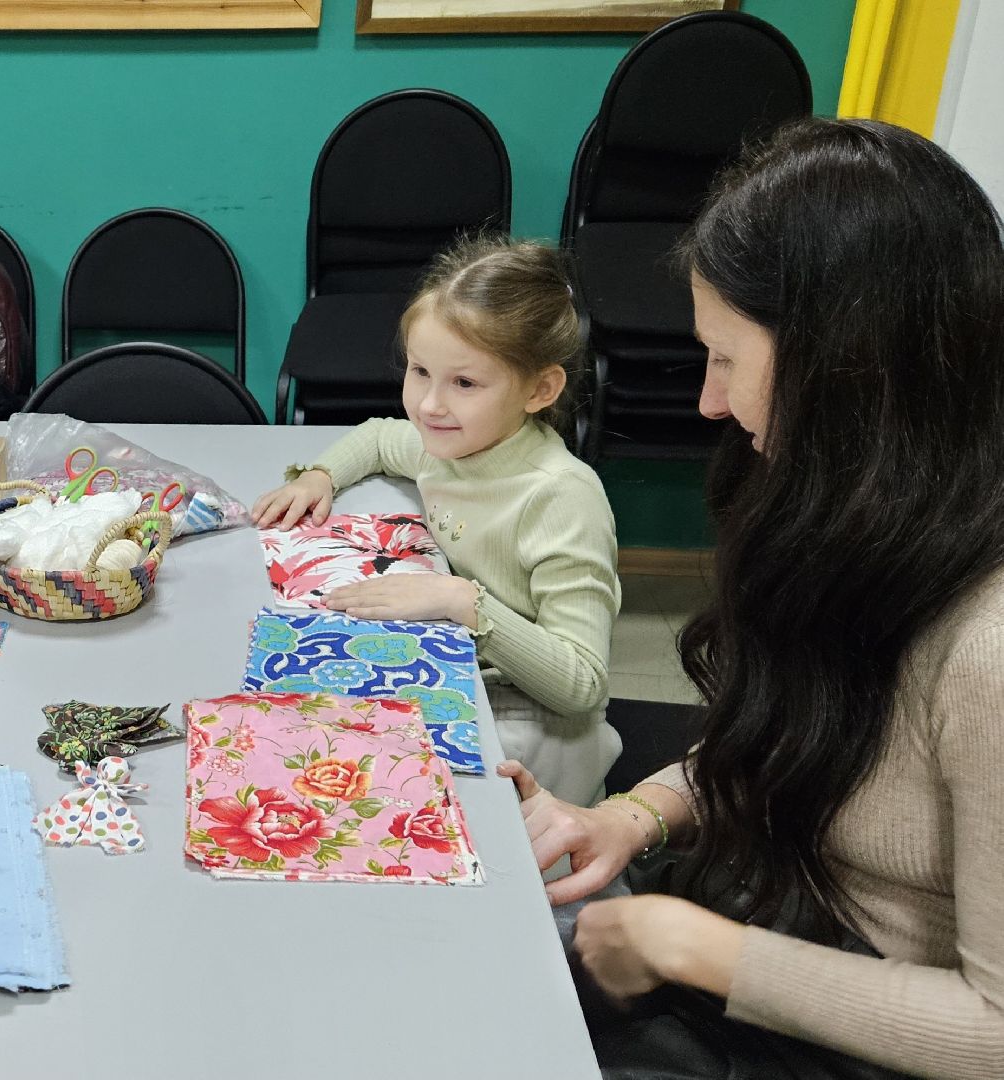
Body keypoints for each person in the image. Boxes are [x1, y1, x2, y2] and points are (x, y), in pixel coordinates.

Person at [507, 118, 1004, 1080]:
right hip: (757, 906)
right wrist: (633, 816)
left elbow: (992, 1030)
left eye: (729, 358)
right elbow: (793, 742)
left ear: (850, 367)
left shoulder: (986, 650)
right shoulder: (862, 509)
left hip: (851, 1024)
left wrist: (683, 944)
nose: (708, 401)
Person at [253, 238, 621, 804]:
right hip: (465, 673)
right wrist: (318, 477)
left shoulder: (561, 498)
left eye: (464, 383)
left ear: (540, 389)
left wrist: (461, 602)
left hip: (536, 731)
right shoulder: (450, 441)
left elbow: (582, 683)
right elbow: (378, 435)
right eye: (420, 371)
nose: (429, 405)